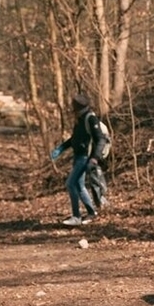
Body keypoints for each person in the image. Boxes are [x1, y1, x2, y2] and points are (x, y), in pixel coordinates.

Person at [51, 94, 106, 226]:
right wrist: (61, 148)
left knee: (70, 183)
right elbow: (74, 139)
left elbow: (100, 140)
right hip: (78, 156)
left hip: (85, 157)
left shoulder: (91, 119)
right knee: (79, 186)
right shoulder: (80, 120)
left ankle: (76, 216)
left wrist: (94, 158)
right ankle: (91, 213)